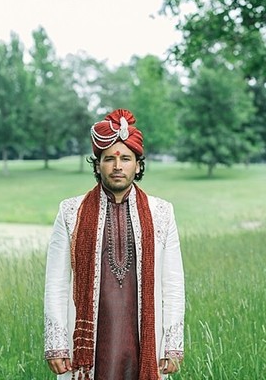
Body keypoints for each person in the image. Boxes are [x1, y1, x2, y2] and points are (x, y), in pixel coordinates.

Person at [43, 108, 185, 379]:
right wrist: (56, 343)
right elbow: (57, 281)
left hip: (145, 340)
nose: (117, 166)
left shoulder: (162, 212)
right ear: (97, 165)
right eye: (109, 159)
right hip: (87, 345)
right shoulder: (71, 211)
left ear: (138, 165)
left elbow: (173, 283)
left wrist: (173, 344)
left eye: (126, 159)